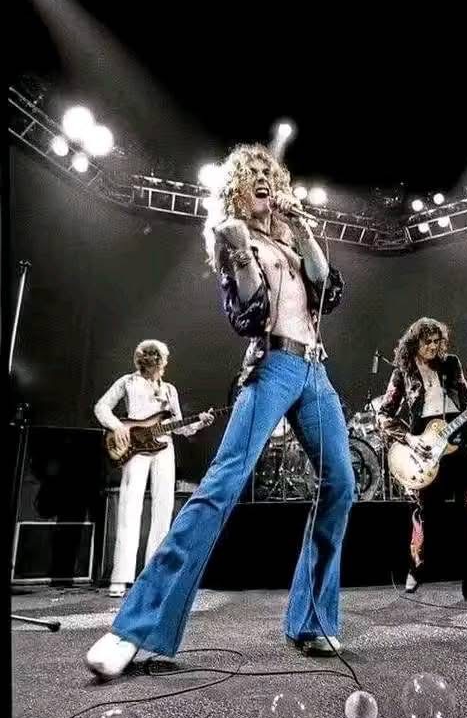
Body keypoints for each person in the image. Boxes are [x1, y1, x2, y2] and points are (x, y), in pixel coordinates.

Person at [86, 145, 355, 679]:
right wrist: (239, 250)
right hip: (272, 366)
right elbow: (248, 316)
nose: (261, 179)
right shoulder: (234, 237)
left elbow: (330, 290)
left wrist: (303, 230)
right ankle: (133, 629)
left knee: (341, 485)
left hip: (315, 371)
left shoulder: (292, 238)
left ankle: (312, 621)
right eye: (250, 175)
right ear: (236, 190)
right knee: (221, 486)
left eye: (267, 173)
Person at [378, 317, 467, 604]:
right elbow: (384, 415)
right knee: (424, 513)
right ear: (414, 343)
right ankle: (416, 567)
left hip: (457, 440)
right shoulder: (403, 371)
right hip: (423, 445)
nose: (433, 347)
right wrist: (409, 438)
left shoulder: (451, 364)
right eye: (427, 342)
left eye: (436, 341)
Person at [94, 340, 214, 598]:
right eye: (162, 359)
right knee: (129, 508)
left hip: (163, 448)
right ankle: (121, 577)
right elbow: (101, 407)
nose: (165, 363)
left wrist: (199, 423)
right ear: (152, 360)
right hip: (135, 448)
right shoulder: (127, 382)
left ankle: (153, 575)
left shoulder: (169, 390)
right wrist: (118, 426)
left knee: (163, 508)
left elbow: (179, 426)